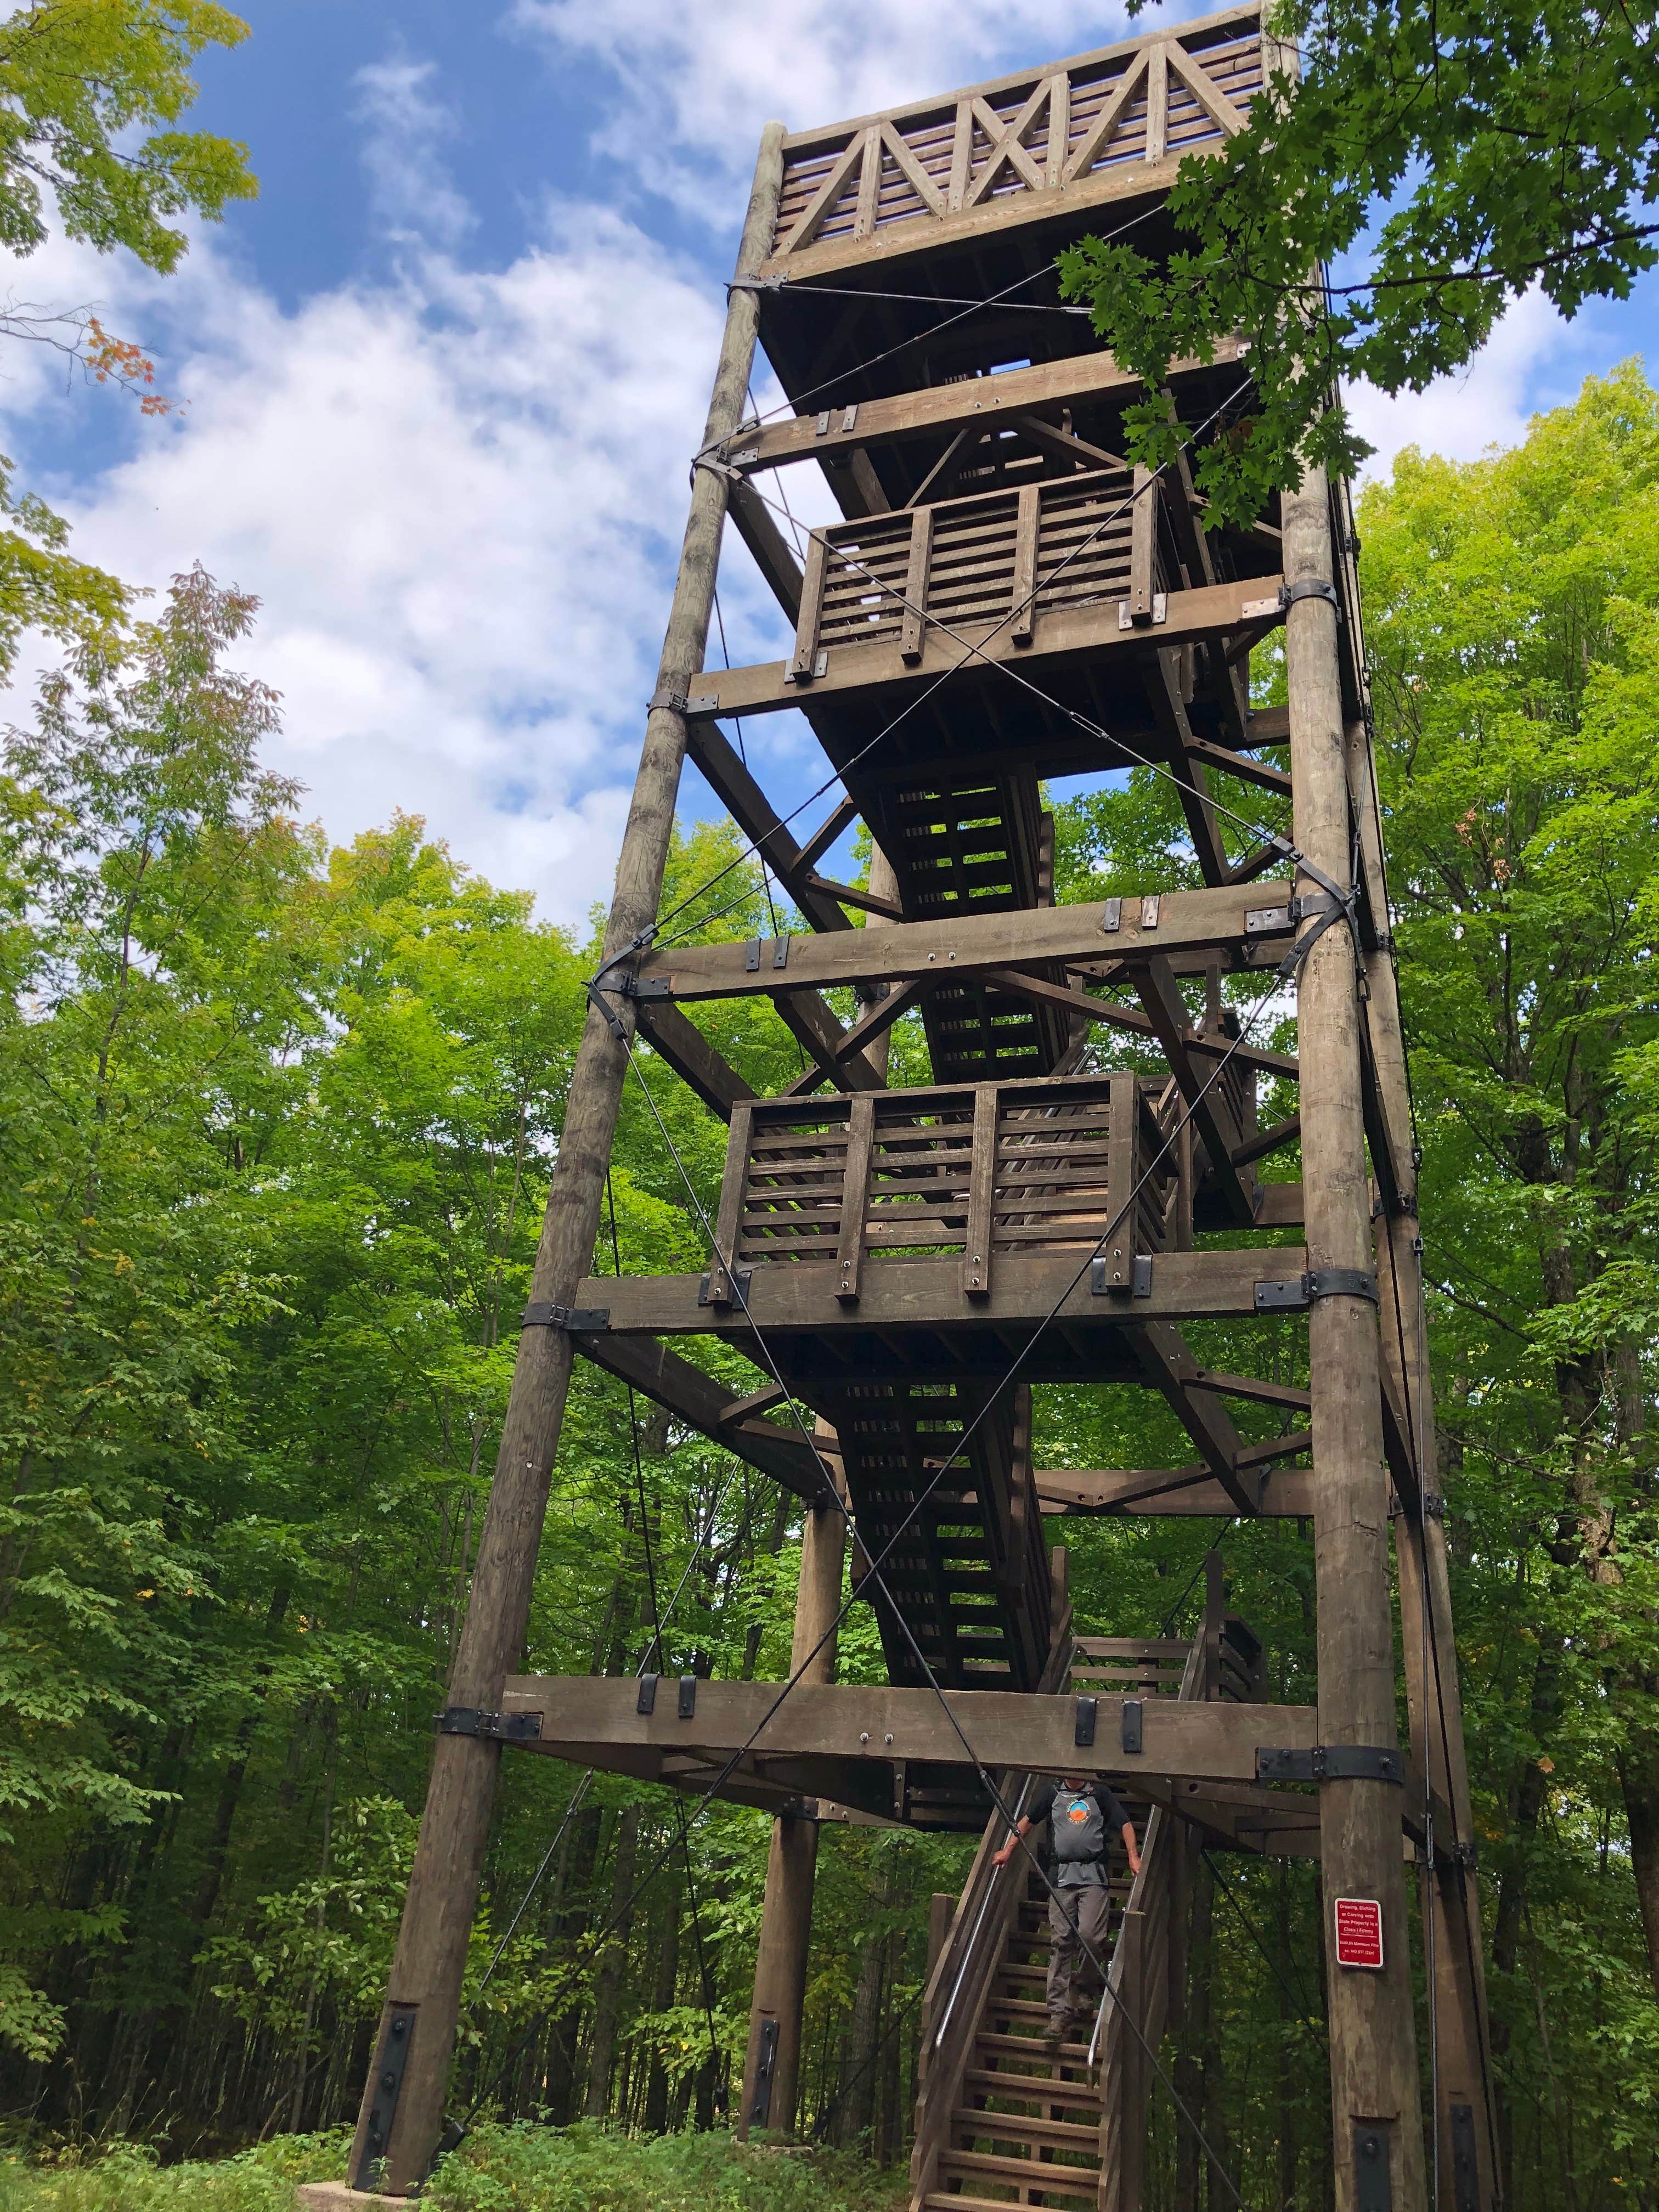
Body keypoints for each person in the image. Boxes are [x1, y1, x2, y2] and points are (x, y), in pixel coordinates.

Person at [992, 1775, 1142, 2048]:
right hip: (1061, 1877)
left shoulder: (1101, 1794)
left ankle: (1085, 1988)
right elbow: (1026, 1822)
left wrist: (1133, 1856)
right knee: (1061, 1941)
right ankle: (1059, 2013)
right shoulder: (1051, 1794)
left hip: (1093, 1877)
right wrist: (1007, 1851)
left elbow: (1126, 1824)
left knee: (1090, 1937)